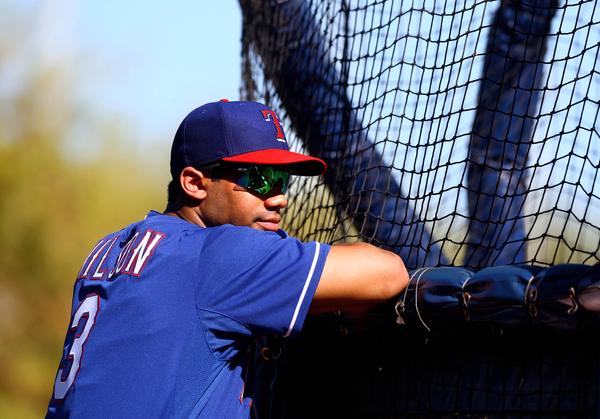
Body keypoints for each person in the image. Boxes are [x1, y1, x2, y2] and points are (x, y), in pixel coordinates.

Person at [46, 100, 409, 418]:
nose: (279, 198)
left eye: (283, 180)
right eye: (261, 178)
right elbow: (388, 273)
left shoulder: (110, 248)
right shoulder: (216, 255)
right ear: (194, 183)